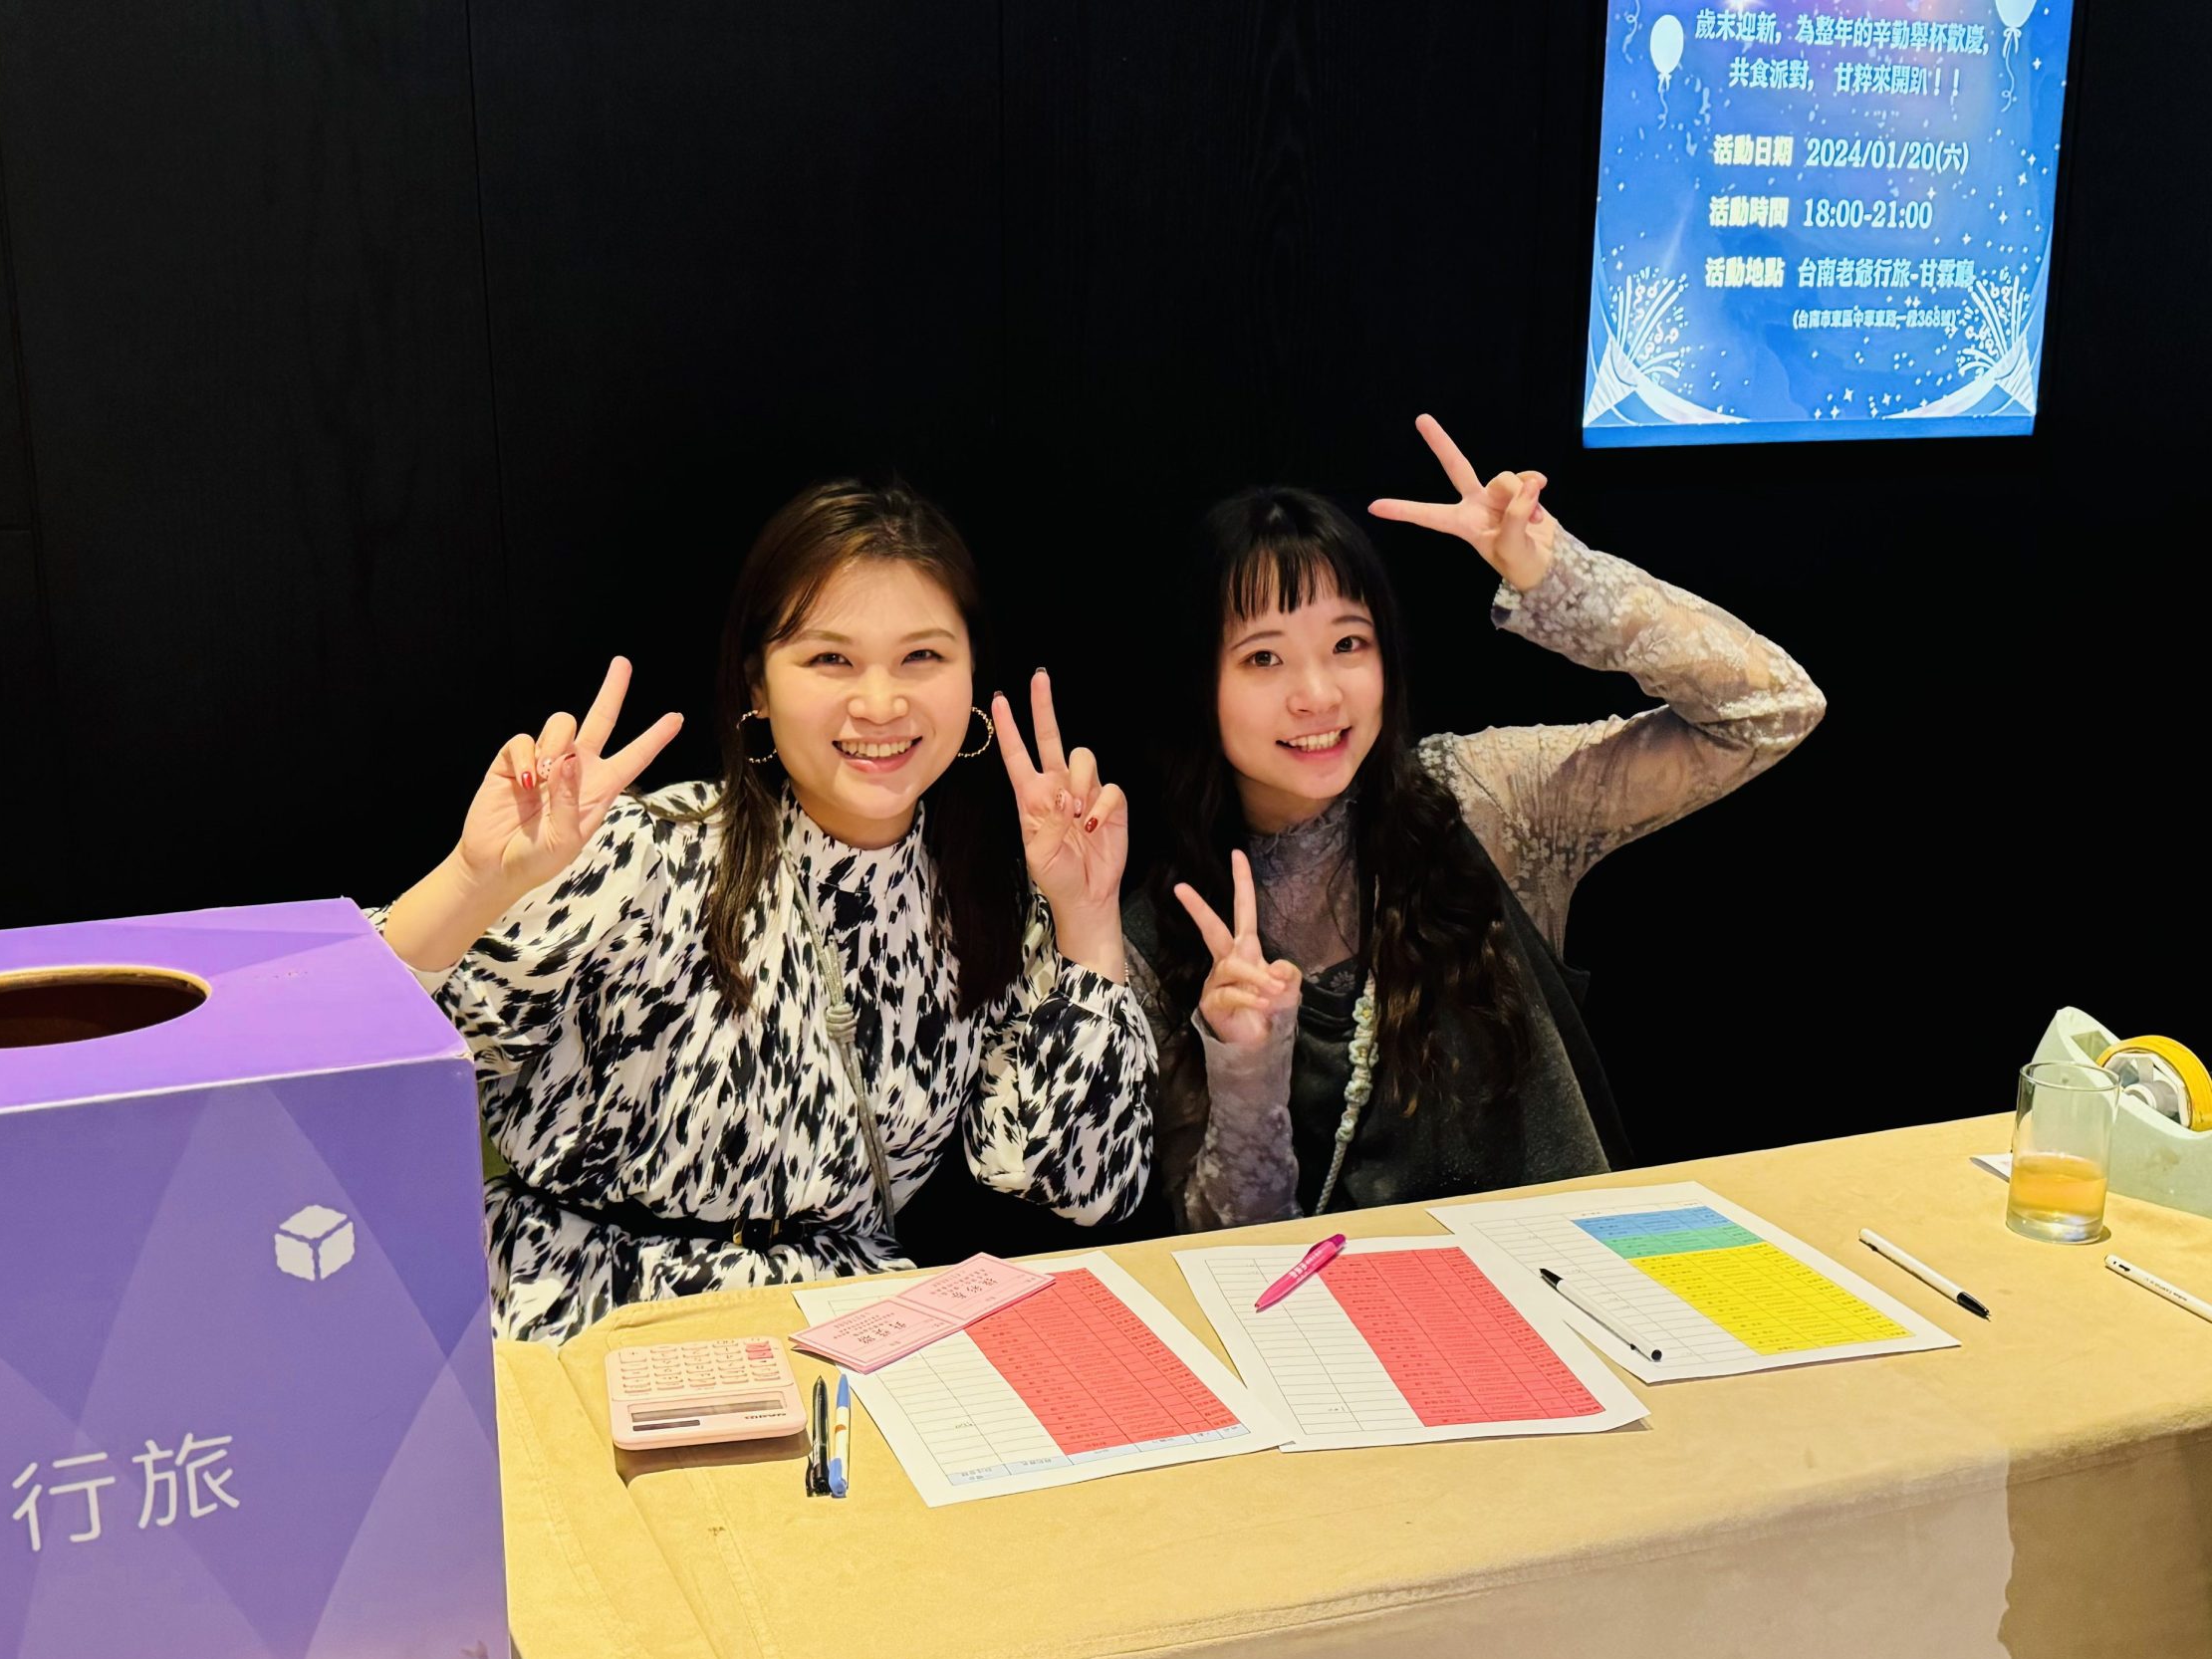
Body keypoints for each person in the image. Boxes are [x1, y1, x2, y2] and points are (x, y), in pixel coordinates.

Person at [373, 480, 1151, 1342]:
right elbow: (373, 1054)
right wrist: (474, 878)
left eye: (922, 657)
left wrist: (1088, 920)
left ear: (972, 676)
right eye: (831, 660)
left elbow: (1079, 1183)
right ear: (758, 684)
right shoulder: (646, 850)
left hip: (840, 1331)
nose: (881, 703)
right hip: (579, 1314)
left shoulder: (986, 898)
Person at [1124, 414, 1827, 1227]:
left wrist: (1560, 578)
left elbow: (1772, 710)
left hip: (1573, 1277)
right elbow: (1228, 1251)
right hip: (1347, 1308)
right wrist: (1245, 1072)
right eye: (1264, 657)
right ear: (1196, 683)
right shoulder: (1163, 931)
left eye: (1348, 644)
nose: (1318, 694)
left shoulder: (1485, 797)